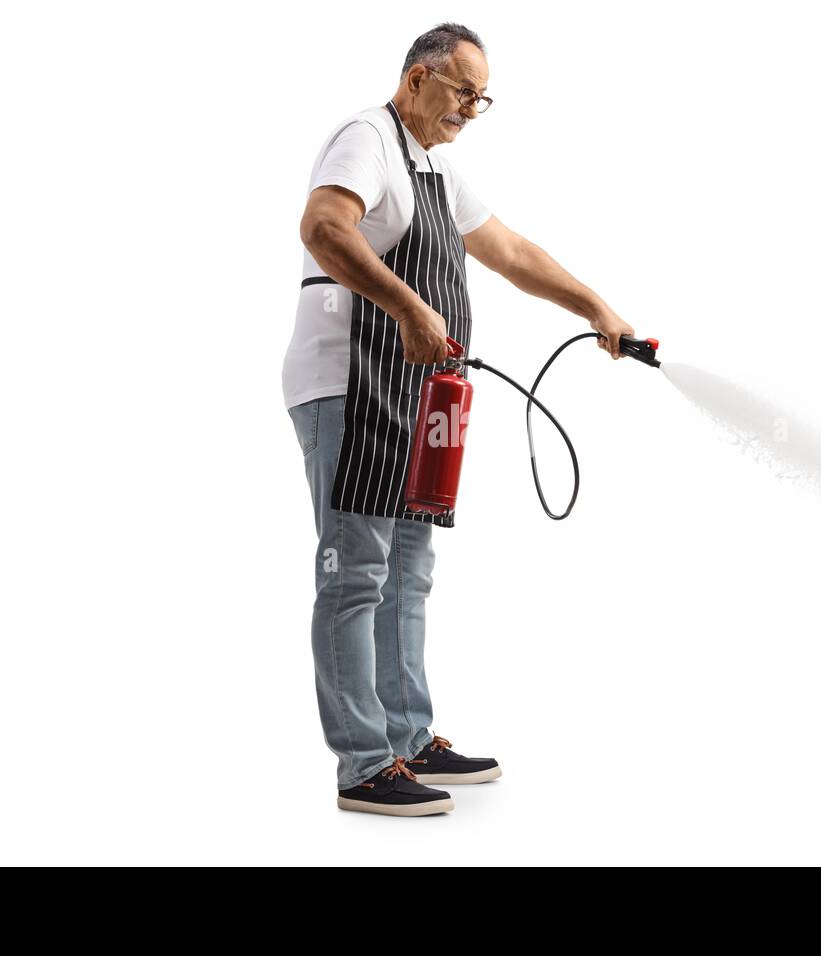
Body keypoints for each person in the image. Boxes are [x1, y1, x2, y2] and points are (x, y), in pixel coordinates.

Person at [282, 23, 633, 816]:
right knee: (355, 573)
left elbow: (509, 251)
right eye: (461, 91)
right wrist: (408, 305)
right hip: (348, 386)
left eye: (483, 97)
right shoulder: (365, 139)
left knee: (408, 571)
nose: (472, 109)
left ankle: (408, 738)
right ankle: (364, 765)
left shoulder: (437, 170)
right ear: (415, 80)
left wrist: (596, 307)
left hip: (413, 397)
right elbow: (323, 228)